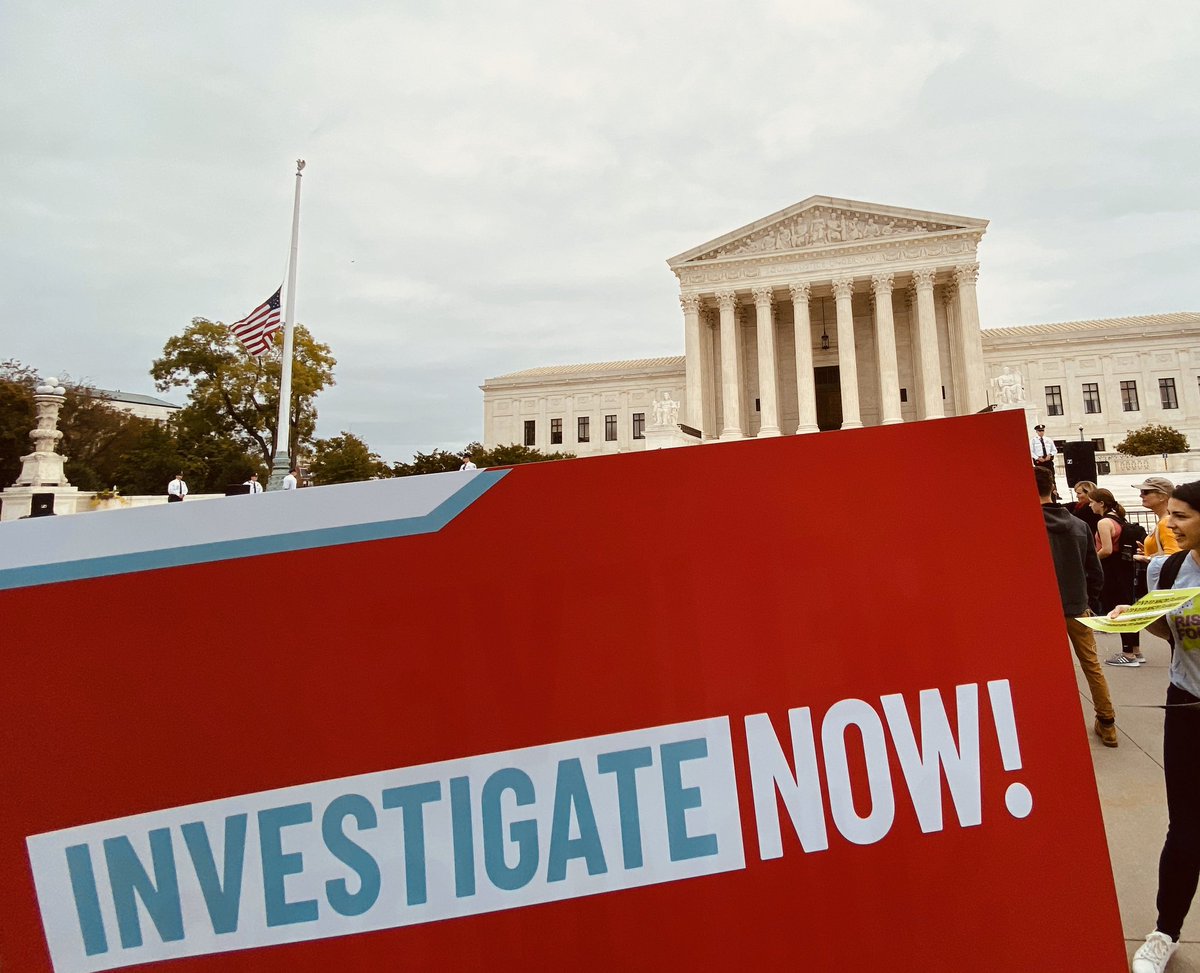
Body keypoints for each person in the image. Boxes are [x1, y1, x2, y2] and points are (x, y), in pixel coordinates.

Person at [1111, 479, 1200, 972]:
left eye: (1182, 516)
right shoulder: (1166, 571)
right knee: (1185, 827)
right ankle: (1165, 930)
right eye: (1171, 513)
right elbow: (1171, 635)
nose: (1169, 523)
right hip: (1187, 705)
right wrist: (1143, 619)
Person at [1035, 465, 1117, 747]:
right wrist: (1089, 601)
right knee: (1091, 665)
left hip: (1040, 611)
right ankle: (1108, 723)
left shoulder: (1024, 524)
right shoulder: (1079, 525)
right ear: (1053, 488)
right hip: (1077, 606)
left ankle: (1051, 724)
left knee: (1044, 669)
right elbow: (1095, 572)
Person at [1089, 488, 1141, 666]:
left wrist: (1090, 558)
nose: (1090, 505)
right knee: (1128, 607)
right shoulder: (1119, 518)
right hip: (1125, 567)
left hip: (1112, 569)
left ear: (1101, 503)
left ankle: (1127, 653)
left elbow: (1107, 549)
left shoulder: (1104, 522)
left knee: (1118, 609)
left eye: (1092, 501)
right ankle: (1135, 649)